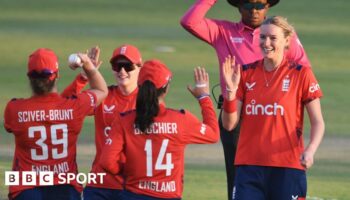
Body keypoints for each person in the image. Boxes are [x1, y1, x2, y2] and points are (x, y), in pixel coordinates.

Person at [180, 0, 311, 199]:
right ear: (239, 7)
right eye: (248, 5)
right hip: (235, 114)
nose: (254, 10)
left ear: (268, 7)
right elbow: (189, 21)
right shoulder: (223, 31)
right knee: (237, 181)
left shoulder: (280, 36)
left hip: (272, 115)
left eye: (260, 5)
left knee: (278, 177)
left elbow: (302, 70)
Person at [221, 16, 325, 199]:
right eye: (262, 37)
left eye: (272, 38)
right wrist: (230, 94)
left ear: (287, 41)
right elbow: (229, 125)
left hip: (288, 168)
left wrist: (310, 150)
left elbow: (318, 122)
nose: (266, 43)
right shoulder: (246, 73)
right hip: (249, 167)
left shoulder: (302, 74)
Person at [99, 59, 220, 200]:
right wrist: (203, 97)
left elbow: (107, 162)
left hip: (133, 194)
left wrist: (127, 172)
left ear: (140, 86)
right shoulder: (181, 119)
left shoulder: (124, 120)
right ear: (166, 88)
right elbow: (213, 134)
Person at [3, 48, 108, 200]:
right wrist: (88, 67)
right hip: (66, 189)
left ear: (29, 77)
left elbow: (49, 109)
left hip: (26, 189)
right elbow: (101, 89)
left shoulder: (14, 109)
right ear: (56, 75)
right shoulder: (74, 107)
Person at [61, 44, 142, 200]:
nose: (122, 71)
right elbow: (65, 106)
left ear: (140, 67)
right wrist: (85, 76)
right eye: (117, 66)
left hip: (132, 187)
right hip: (99, 185)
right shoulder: (103, 96)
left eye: (128, 66)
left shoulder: (147, 101)